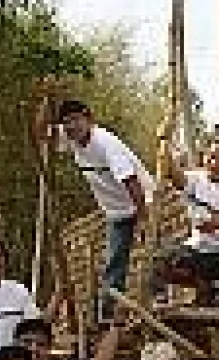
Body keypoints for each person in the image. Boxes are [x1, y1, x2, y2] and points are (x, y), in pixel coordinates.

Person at [55, 99, 154, 322]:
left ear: (89, 119)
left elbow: (131, 182)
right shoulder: (71, 140)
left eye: (76, 120)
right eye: (66, 123)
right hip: (116, 211)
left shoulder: (106, 144)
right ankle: (108, 314)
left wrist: (145, 219)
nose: (72, 127)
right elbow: (41, 134)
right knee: (115, 261)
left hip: (141, 202)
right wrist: (43, 99)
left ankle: (152, 302)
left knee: (151, 256)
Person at [157, 128, 219, 306]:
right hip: (197, 249)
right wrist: (164, 141)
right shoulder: (196, 179)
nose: (215, 164)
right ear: (204, 158)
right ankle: (204, 288)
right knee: (159, 260)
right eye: (211, 157)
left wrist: (214, 223)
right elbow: (173, 174)